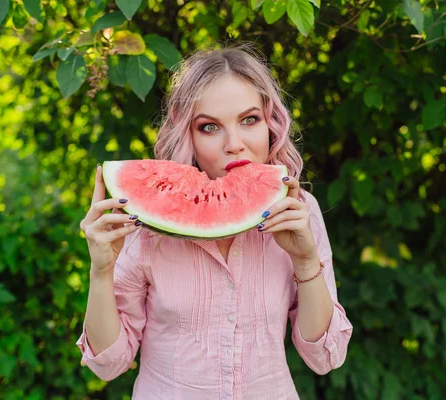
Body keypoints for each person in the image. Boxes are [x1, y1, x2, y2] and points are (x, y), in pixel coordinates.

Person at [76, 43, 353, 399]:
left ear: (272, 124)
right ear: (187, 135)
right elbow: (108, 363)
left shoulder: (299, 211)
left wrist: (304, 260)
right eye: (209, 127)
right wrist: (100, 271)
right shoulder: (144, 224)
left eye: (249, 120)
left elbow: (324, 356)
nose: (234, 144)